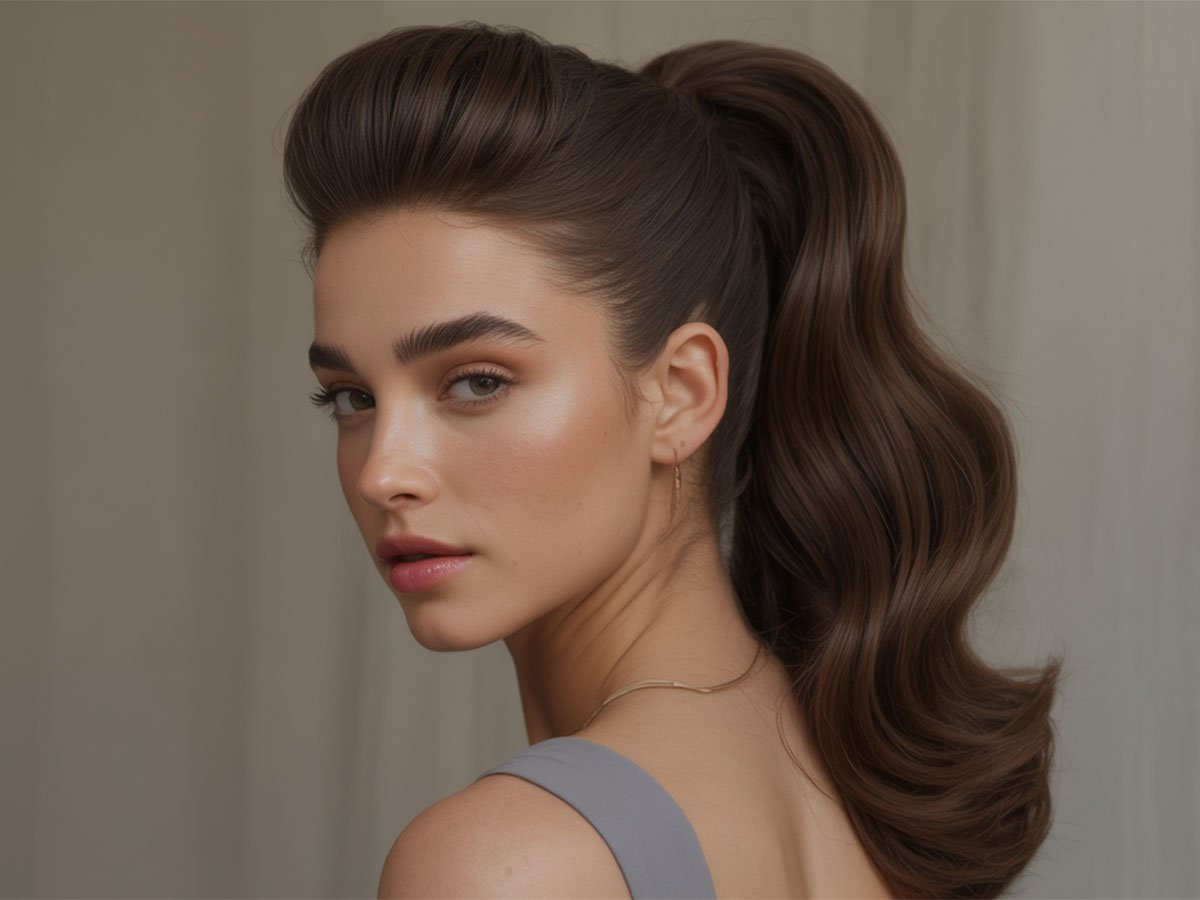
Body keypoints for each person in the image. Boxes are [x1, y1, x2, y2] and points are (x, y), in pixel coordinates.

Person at [283, 21, 1063, 899]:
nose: (385, 472)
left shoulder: (507, 863)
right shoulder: (855, 790)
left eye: (475, 383)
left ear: (683, 392)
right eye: (352, 397)